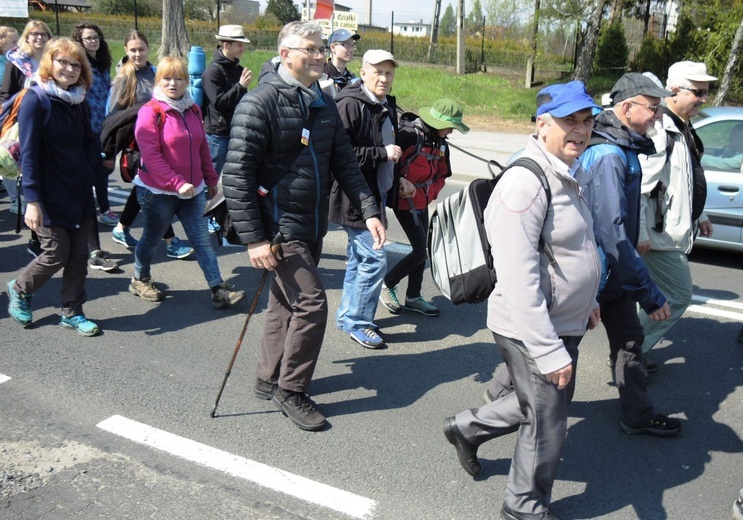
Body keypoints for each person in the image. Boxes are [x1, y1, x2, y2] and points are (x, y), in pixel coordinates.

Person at [443, 81, 602, 520]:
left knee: (542, 402)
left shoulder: (566, 168)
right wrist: (549, 350)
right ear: (542, 123)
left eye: (587, 121)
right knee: (547, 421)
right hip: (530, 326)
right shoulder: (525, 182)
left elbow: (572, 246)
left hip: (562, 319)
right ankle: (523, 508)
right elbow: (517, 279)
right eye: (570, 121)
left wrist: (587, 300)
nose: (582, 130)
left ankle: (466, 428)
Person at [222, 21, 385, 431]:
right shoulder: (258, 103)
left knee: (283, 303)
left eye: (320, 50)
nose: (319, 56)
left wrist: (369, 209)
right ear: (286, 54)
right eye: (310, 49)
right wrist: (255, 239)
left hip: (311, 225)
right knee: (312, 303)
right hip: (278, 229)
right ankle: (291, 389)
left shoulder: (322, 102)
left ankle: (268, 376)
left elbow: (344, 162)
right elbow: (237, 175)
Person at [577, 73, 681, 437]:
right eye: (653, 107)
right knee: (559, 348)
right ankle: (487, 414)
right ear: (626, 108)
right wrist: (649, 294)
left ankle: (637, 414)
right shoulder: (609, 154)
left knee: (629, 340)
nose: (658, 115)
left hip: (611, 271)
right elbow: (611, 232)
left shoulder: (623, 146)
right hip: (596, 273)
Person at [128, 56, 244, 309]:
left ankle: (217, 288)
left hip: (194, 190)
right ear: (158, 81)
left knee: (202, 240)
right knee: (151, 238)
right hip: (158, 191)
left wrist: (211, 179)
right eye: (167, 78)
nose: (173, 83)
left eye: (179, 78)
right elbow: (151, 156)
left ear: (186, 82)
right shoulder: (151, 112)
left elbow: (201, 147)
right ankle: (140, 277)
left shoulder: (192, 109)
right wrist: (176, 182)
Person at [7, 37, 100, 336]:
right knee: (55, 253)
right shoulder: (36, 99)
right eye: (64, 62)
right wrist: (32, 200)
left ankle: (72, 312)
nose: (70, 70)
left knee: (78, 257)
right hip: (48, 195)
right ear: (50, 62)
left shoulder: (79, 100)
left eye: (76, 65)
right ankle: (20, 288)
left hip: (79, 191)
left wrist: (89, 172)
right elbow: (30, 154)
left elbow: (88, 141)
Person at [637, 61, 716, 361]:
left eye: (706, 92)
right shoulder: (661, 131)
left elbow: (687, 178)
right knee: (680, 295)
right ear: (674, 90)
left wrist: (700, 214)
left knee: (651, 295)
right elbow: (643, 187)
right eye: (698, 92)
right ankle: (631, 352)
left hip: (672, 230)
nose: (703, 99)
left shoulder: (683, 126)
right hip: (660, 236)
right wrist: (641, 232)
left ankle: (628, 346)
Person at [329, 49, 400, 349]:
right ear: (363, 73)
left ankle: (349, 315)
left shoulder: (381, 104)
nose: (384, 78)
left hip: (374, 194)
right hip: (355, 197)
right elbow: (339, 155)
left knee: (360, 259)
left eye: (389, 73)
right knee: (374, 259)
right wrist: (382, 153)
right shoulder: (349, 103)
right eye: (378, 72)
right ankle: (359, 322)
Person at [380, 99, 470, 319]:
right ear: (436, 122)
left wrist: (428, 194)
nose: (451, 131)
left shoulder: (441, 144)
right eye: (449, 126)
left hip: (422, 202)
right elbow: (388, 164)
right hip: (403, 202)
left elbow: (442, 175)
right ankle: (388, 283)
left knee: (422, 249)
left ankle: (413, 297)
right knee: (421, 250)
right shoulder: (409, 136)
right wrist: (401, 180)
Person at [107, 30, 193, 260]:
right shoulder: (123, 79)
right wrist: (109, 150)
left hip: (163, 143)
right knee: (156, 191)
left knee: (142, 188)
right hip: (137, 145)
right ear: (126, 50)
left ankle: (121, 228)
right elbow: (112, 116)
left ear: (148, 49)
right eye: (133, 50)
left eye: (141, 49)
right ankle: (171, 241)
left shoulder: (156, 72)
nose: (137, 53)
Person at [1, 20, 51, 254]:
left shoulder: (53, 61)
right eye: (34, 34)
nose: (39, 38)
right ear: (27, 37)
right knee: (32, 178)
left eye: (43, 34)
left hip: (51, 124)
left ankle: (44, 234)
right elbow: (6, 95)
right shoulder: (17, 62)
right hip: (26, 126)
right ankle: (36, 238)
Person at [71, 23, 118, 273]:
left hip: (101, 126)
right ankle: (92, 250)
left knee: (101, 172)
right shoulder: (78, 66)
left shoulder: (102, 63)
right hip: (82, 129)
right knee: (84, 186)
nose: (93, 41)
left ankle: (103, 212)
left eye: (96, 37)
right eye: (87, 38)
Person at [202, 25, 252, 177]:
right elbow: (219, 103)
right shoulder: (213, 71)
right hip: (217, 135)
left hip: (235, 131)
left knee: (231, 176)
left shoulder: (238, 70)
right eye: (239, 45)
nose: (243, 48)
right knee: (211, 177)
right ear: (226, 45)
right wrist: (240, 86)